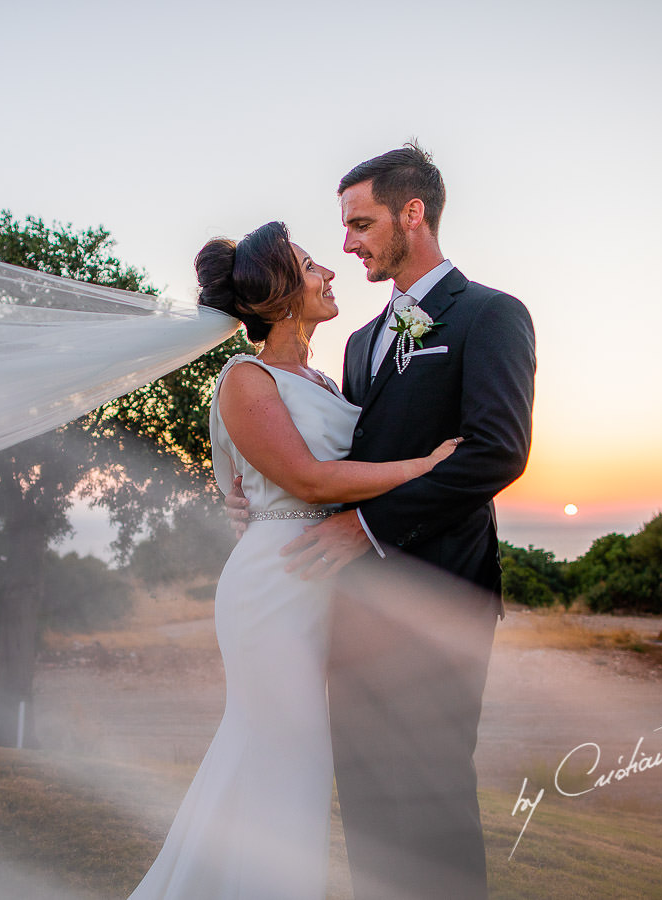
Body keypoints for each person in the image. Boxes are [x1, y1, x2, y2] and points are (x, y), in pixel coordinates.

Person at [229, 145, 536, 898]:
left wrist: (364, 530)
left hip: (442, 595)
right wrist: (260, 497)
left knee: (430, 797)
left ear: (412, 214)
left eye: (361, 223)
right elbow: (338, 457)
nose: (347, 244)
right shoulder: (361, 345)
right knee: (366, 798)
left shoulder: (491, 316)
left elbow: (497, 452)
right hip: (352, 602)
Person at [127, 220, 463, 900]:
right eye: (311, 267)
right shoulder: (244, 379)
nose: (330, 273)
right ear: (281, 297)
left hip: (323, 582)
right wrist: (423, 468)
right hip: (275, 587)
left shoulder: (322, 378)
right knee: (293, 760)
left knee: (271, 761)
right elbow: (307, 480)